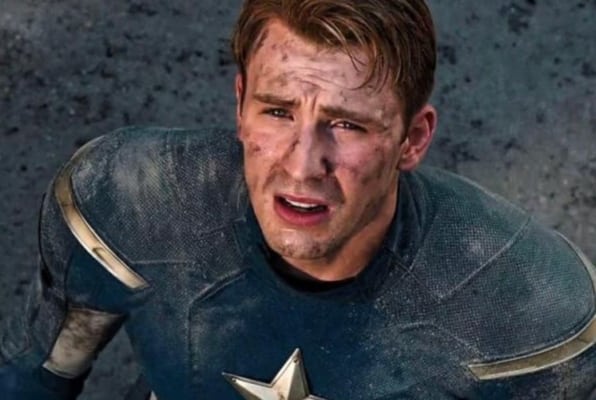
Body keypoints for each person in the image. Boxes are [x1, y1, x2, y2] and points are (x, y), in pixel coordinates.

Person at [1, 0, 595, 398]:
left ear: (413, 139)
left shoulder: (527, 313)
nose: (302, 164)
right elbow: (34, 377)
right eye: (278, 112)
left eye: (347, 124)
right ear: (240, 105)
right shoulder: (128, 204)